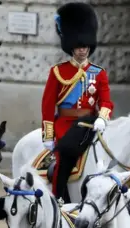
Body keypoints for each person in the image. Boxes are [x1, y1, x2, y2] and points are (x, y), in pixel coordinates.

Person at [41, 2, 113, 203]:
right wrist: (48, 134)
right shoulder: (58, 72)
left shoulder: (98, 73)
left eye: (85, 47)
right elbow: (47, 106)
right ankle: (58, 197)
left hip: (90, 122)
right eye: (79, 47)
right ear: (71, 48)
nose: (82, 51)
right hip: (65, 125)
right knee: (65, 156)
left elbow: (106, 101)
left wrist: (103, 118)